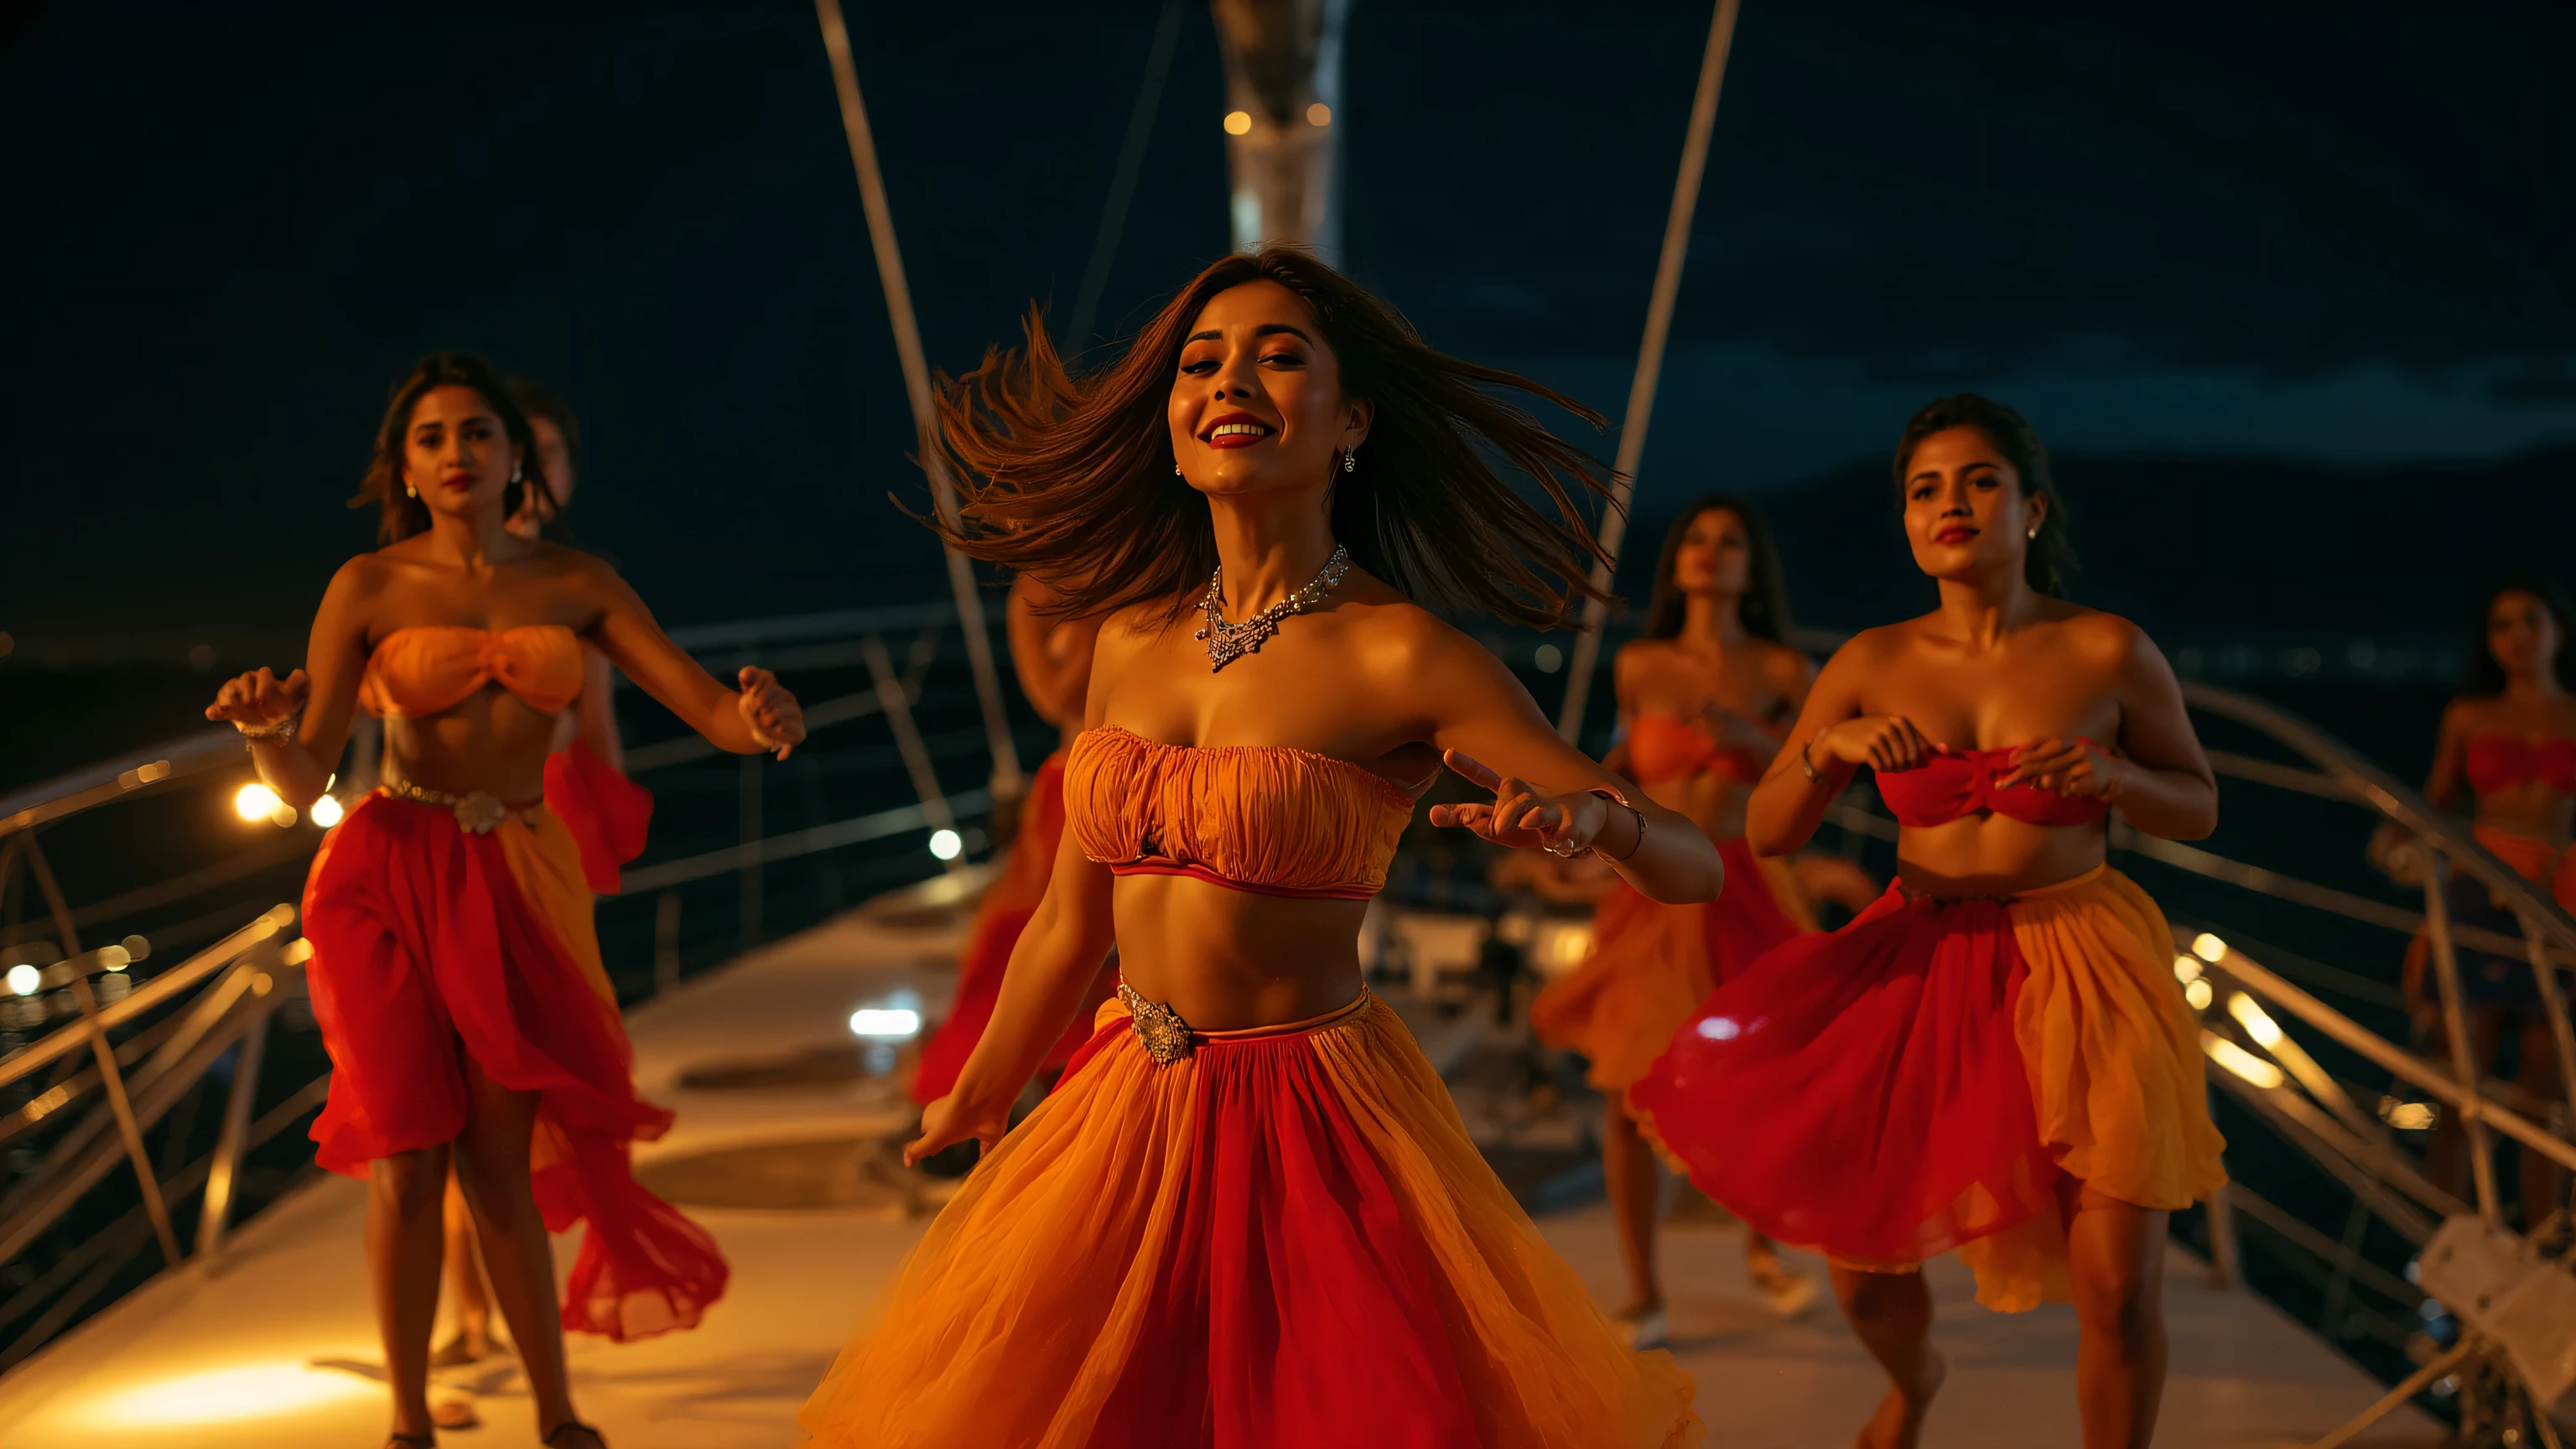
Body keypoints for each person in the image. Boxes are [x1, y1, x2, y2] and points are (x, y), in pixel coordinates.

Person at [798, 250, 1714, 1447]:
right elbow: (1073, 922)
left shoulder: (1402, 653)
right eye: (1203, 362)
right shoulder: (1126, 640)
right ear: (1175, 433)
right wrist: (984, 1084)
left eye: (1281, 356)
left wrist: (1603, 822)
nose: (1234, 379)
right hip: (1122, 1100)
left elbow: (1693, 866)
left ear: (1352, 421)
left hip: (1313, 1122)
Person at [206, 352, 803, 1449]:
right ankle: (405, 1425)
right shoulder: (368, 587)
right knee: (405, 1149)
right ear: (404, 464)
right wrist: (258, 729)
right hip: (386, 871)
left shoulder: (577, 583)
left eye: (476, 433)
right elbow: (301, 784)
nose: (455, 455)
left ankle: (558, 1416)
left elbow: (708, 710)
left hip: (517, 868)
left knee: (496, 1164)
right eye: (431, 438)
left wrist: (761, 715)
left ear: (514, 454)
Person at [1632, 395, 2226, 1449]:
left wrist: (2120, 773)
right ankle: (1915, 1383)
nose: (1950, 503)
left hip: (2078, 953)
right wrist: (1832, 747)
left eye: (1979, 480)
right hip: (1916, 961)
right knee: (1864, 1282)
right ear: (1907, 523)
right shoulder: (1870, 660)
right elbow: (1768, 827)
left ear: (2032, 509)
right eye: (1924, 489)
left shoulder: (2107, 650)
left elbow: (2200, 801)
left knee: (2120, 1289)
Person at [1529, 496, 1824, 1344]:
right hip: (1654, 888)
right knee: (1629, 1090)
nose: (1709, 553)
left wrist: (1749, 736)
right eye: (1696, 538)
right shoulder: (1642, 665)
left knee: (1760, 1082)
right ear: (1678, 562)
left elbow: (1807, 780)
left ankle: (1764, 1249)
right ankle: (1644, 1291)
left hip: (1743, 888)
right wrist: (1566, 808)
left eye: (1730, 541)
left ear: (1750, 565)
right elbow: (1622, 769)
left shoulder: (1780, 669)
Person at [429, 377, 636, 1384]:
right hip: (454, 838)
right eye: (532, 450)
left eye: (556, 455)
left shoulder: (570, 586)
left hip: (549, 841)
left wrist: (601, 852)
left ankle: (501, 1305)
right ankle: (463, 1310)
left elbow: (597, 733)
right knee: (455, 1075)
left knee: (529, 1079)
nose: (541, 469)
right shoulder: (430, 580)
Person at [2389, 577, 2576, 1227]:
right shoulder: (2470, 716)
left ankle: (2543, 1231)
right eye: (2502, 626)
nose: (2518, 637)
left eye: (2531, 620)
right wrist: (2397, 838)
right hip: (2481, 888)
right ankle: (2450, 1225)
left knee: (2541, 1084)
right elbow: (2438, 796)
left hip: (2557, 896)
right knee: (2459, 1073)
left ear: (2558, 628)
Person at [906, 570, 1117, 1130]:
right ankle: (1001, 1087)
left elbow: (1057, 696)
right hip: (1064, 777)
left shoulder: (1110, 584)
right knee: (1009, 931)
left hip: (1094, 777)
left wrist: (1029, 609)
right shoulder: (1053, 586)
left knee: (1045, 934)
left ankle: (1048, 1082)